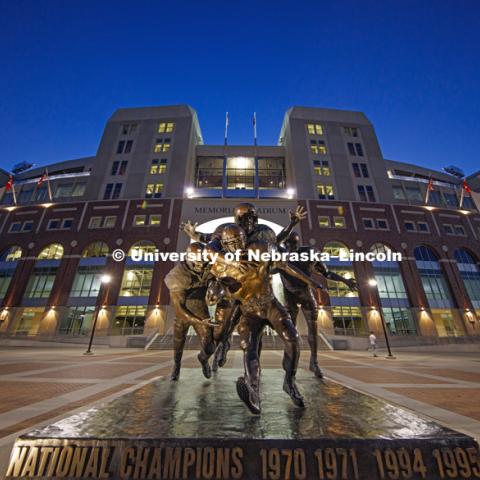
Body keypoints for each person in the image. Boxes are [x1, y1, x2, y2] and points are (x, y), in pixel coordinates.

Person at [206, 224, 324, 414]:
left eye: (239, 240)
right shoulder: (220, 265)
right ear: (224, 245)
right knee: (249, 348)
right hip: (248, 310)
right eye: (231, 242)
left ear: (245, 239)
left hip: (270, 304)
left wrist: (310, 281)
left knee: (293, 339)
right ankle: (253, 391)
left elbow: (286, 266)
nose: (236, 245)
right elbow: (216, 293)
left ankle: (289, 382)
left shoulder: (259, 249)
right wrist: (215, 292)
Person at [280, 231, 358, 378]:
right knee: (290, 330)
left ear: (298, 243)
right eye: (288, 244)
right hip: (289, 294)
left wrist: (345, 280)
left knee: (313, 329)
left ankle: (314, 361)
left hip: (305, 292)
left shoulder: (309, 253)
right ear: (285, 245)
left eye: (293, 244)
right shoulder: (280, 256)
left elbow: (326, 273)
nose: (291, 247)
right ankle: (289, 359)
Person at [164, 242, 216, 381]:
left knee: (210, 346)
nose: (201, 265)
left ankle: (203, 360)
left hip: (201, 310)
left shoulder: (209, 267)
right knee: (179, 341)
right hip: (184, 312)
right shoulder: (178, 274)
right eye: (198, 261)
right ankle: (176, 365)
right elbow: (179, 309)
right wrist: (197, 320)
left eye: (204, 260)